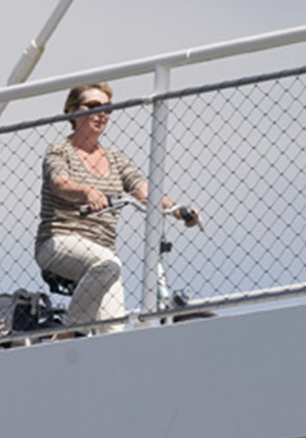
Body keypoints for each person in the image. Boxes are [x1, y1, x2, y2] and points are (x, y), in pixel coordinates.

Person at [35, 82, 199, 334]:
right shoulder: (60, 151)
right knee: (109, 265)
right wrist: (86, 191)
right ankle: (67, 335)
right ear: (71, 111)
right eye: (93, 106)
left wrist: (176, 209)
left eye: (108, 109)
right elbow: (59, 183)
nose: (102, 114)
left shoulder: (115, 159)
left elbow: (142, 189)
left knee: (114, 330)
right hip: (59, 242)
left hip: (103, 255)